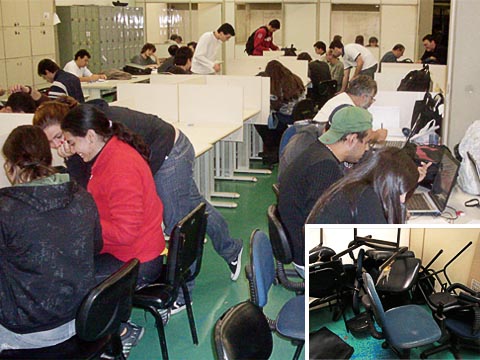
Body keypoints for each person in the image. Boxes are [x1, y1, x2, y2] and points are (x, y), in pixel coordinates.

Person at [33, 98, 244, 314]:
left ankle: (182, 293)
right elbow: (87, 184)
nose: (59, 146)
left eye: (61, 138)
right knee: (194, 209)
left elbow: (121, 188)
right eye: (51, 143)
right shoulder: (94, 140)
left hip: (170, 151)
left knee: (177, 223)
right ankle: (232, 249)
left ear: (80, 131)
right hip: (147, 161)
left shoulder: (107, 139)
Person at [0, 125, 101, 350]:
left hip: (30, 331)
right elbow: (96, 248)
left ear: (10, 167)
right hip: (83, 318)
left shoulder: (6, 210)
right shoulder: (82, 196)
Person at [278, 106, 373, 276]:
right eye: (365, 142)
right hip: (308, 256)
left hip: (300, 240)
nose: (366, 149)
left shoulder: (318, 150)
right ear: (351, 139)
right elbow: (322, 224)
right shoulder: (325, 168)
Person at [307, 147, 419, 224]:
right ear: (386, 181)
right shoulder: (366, 199)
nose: (403, 199)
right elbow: (382, 246)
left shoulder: (356, 186)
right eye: (399, 192)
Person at [255, 60, 306, 166]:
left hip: (286, 117)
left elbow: (275, 104)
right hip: (299, 115)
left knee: (260, 121)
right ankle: (275, 149)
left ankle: (273, 149)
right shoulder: (295, 79)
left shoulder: (277, 85)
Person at [313, 75, 387, 143]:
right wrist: (377, 135)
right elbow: (363, 137)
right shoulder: (349, 110)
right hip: (323, 145)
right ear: (364, 97)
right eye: (372, 98)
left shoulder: (342, 98)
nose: (372, 102)